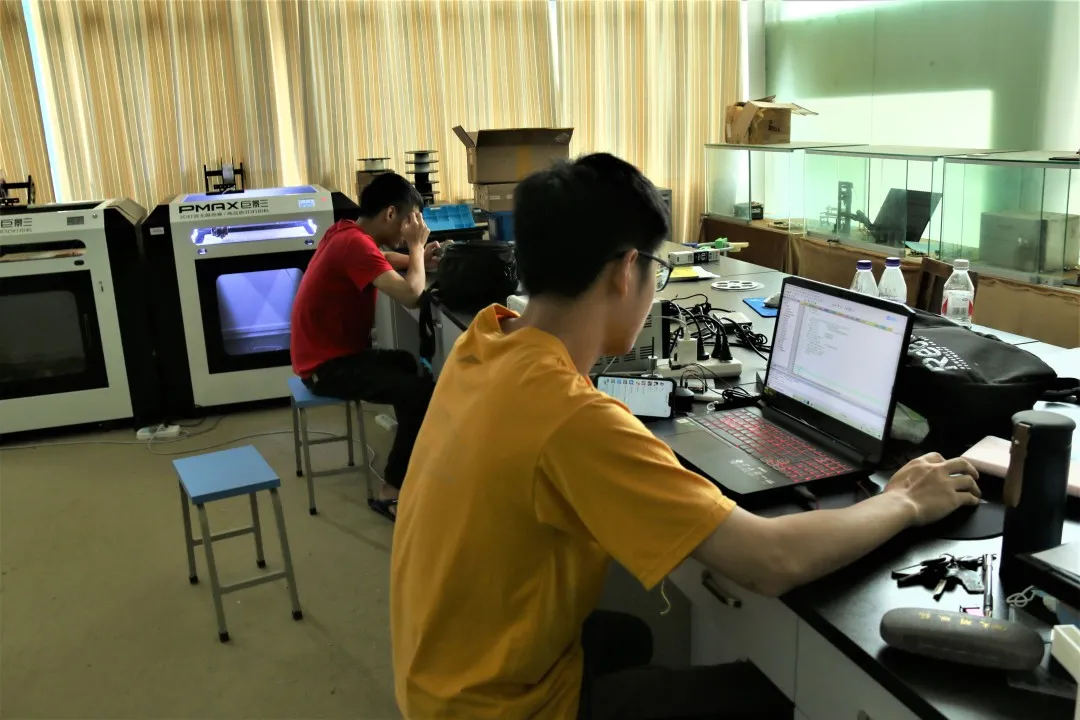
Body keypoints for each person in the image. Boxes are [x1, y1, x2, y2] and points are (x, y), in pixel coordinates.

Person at [389, 154, 981, 719]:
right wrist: (903, 501)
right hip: (502, 709)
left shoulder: (487, 340)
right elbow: (770, 560)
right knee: (773, 699)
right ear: (626, 271)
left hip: (436, 675)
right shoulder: (571, 417)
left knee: (630, 636)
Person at [290, 172, 440, 522]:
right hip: (325, 368)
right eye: (409, 221)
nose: (410, 229)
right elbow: (412, 295)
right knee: (419, 393)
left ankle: (409, 451)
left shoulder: (344, 231)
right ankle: (391, 492)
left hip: (325, 356)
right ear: (391, 214)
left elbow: (378, 259)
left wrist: (417, 259)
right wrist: (416, 250)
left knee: (407, 364)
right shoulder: (355, 245)